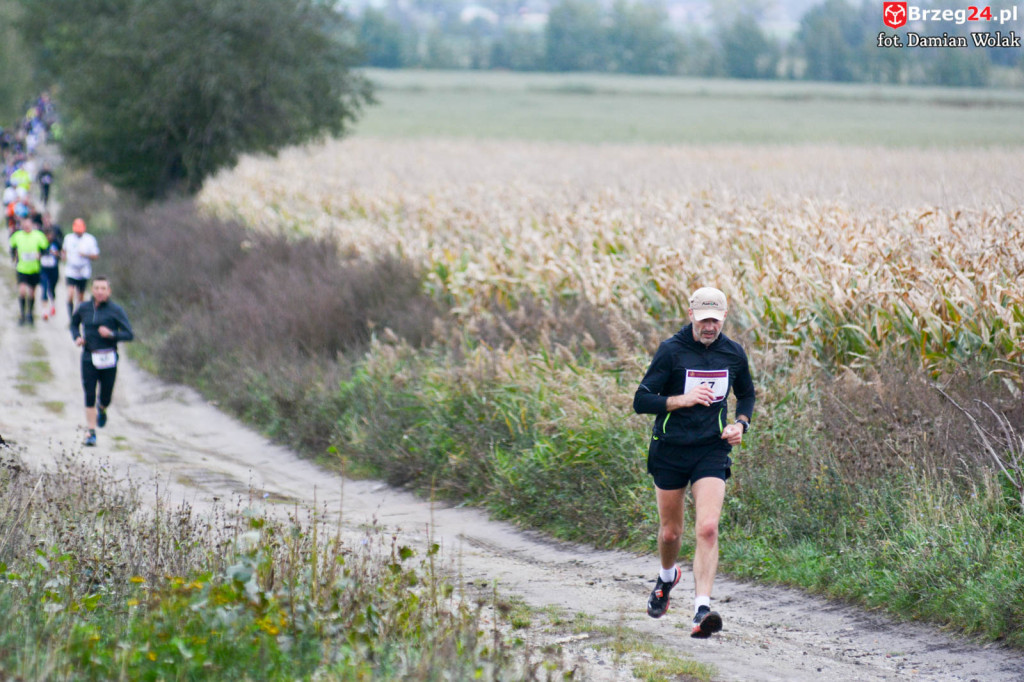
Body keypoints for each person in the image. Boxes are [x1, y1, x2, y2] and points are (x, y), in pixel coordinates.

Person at [633, 286, 755, 638]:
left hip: (711, 450)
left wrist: (740, 425)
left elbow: (746, 393)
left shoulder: (733, 353)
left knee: (708, 528)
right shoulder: (671, 351)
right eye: (703, 320)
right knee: (671, 531)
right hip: (670, 449)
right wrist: (681, 400)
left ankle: (702, 609)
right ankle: (667, 577)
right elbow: (642, 400)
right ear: (691, 315)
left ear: (724, 317)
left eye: (715, 320)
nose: (709, 326)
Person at [70, 277, 134, 447]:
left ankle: (103, 408)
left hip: (109, 359)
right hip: (89, 357)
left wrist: (111, 334)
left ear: (109, 291)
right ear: (92, 289)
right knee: (89, 393)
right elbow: (74, 324)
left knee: (105, 396)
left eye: (103, 288)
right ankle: (91, 432)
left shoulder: (116, 310)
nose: (99, 291)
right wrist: (77, 337)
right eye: (97, 288)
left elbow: (129, 334)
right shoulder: (83, 308)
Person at [9, 209, 50, 325]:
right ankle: (22, 314)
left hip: (34, 269)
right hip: (22, 268)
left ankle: (30, 314)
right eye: (24, 225)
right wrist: (14, 257)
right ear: (22, 225)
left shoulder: (39, 236)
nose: (26, 227)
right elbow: (12, 248)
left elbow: (46, 249)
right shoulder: (17, 236)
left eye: (28, 225)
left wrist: (40, 255)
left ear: (32, 225)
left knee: (32, 293)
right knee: (22, 291)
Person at [62, 218, 99, 319]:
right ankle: (71, 317)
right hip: (71, 270)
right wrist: (63, 256)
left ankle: (79, 316)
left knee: (81, 297)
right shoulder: (68, 238)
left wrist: (86, 255)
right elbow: (64, 251)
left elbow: (96, 255)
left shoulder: (90, 239)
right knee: (70, 293)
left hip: (84, 271)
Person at [38, 221, 62, 320]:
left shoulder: (57, 243)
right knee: (44, 288)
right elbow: (36, 254)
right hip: (43, 269)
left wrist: (57, 254)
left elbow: (62, 255)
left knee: (52, 288)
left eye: (50, 235)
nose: (49, 237)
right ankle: (44, 312)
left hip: (54, 269)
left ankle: (52, 305)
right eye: (47, 235)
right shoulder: (41, 243)